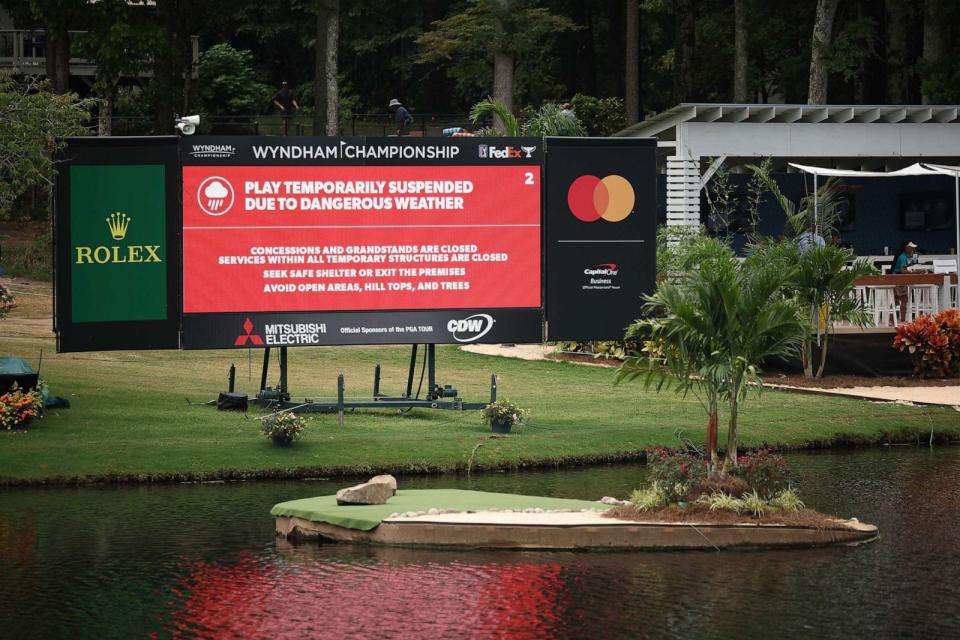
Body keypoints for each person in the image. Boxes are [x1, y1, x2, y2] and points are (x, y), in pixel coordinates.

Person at [891, 241, 927, 323]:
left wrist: (914, 261)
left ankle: (892, 319)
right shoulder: (903, 257)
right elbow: (903, 270)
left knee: (896, 300)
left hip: (896, 278)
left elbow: (907, 266)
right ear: (906, 248)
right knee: (903, 298)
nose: (913, 249)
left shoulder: (903, 256)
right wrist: (916, 272)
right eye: (911, 248)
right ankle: (902, 320)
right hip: (900, 279)